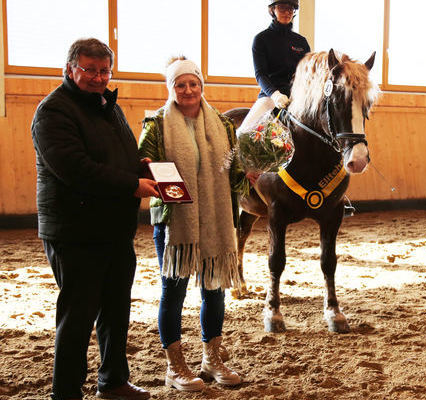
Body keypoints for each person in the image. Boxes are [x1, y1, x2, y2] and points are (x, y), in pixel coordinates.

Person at [31, 38, 157, 400]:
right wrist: (132, 184)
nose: (98, 77)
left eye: (104, 71)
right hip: (75, 231)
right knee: (78, 316)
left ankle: (113, 380)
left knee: (116, 309)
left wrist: (139, 166)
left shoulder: (107, 106)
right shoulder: (53, 111)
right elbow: (76, 169)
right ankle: (66, 392)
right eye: (90, 70)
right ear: (71, 68)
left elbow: (115, 156)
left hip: (114, 228)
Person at [138, 56, 244, 392]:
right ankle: (175, 366)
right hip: (175, 222)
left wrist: (249, 173)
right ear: (171, 89)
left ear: (201, 86)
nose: (188, 90)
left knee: (214, 289)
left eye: (193, 84)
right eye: (180, 85)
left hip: (217, 218)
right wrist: (150, 168)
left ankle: (212, 358)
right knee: (174, 290)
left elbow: (234, 170)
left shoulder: (223, 125)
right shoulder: (156, 123)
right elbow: (143, 164)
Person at [238, 0, 310, 132]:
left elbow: (308, 74)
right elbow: (260, 75)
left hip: (297, 98)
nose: (287, 12)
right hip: (270, 97)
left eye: (291, 9)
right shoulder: (261, 39)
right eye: (282, 8)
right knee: (243, 134)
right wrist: (275, 95)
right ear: (272, 10)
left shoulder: (301, 42)